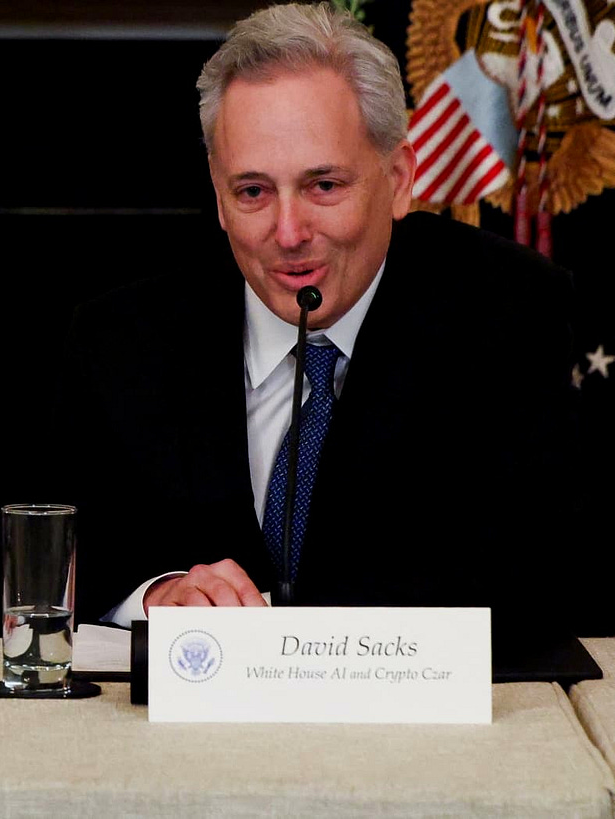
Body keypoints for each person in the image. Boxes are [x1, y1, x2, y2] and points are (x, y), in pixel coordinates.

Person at [61, 3, 575, 627]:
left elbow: (543, 576)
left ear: (399, 178)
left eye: (323, 186)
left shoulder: (514, 316)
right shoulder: (121, 340)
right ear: (218, 196)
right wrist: (156, 596)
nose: (288, 232)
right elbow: (45, 560)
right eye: (252, 192)